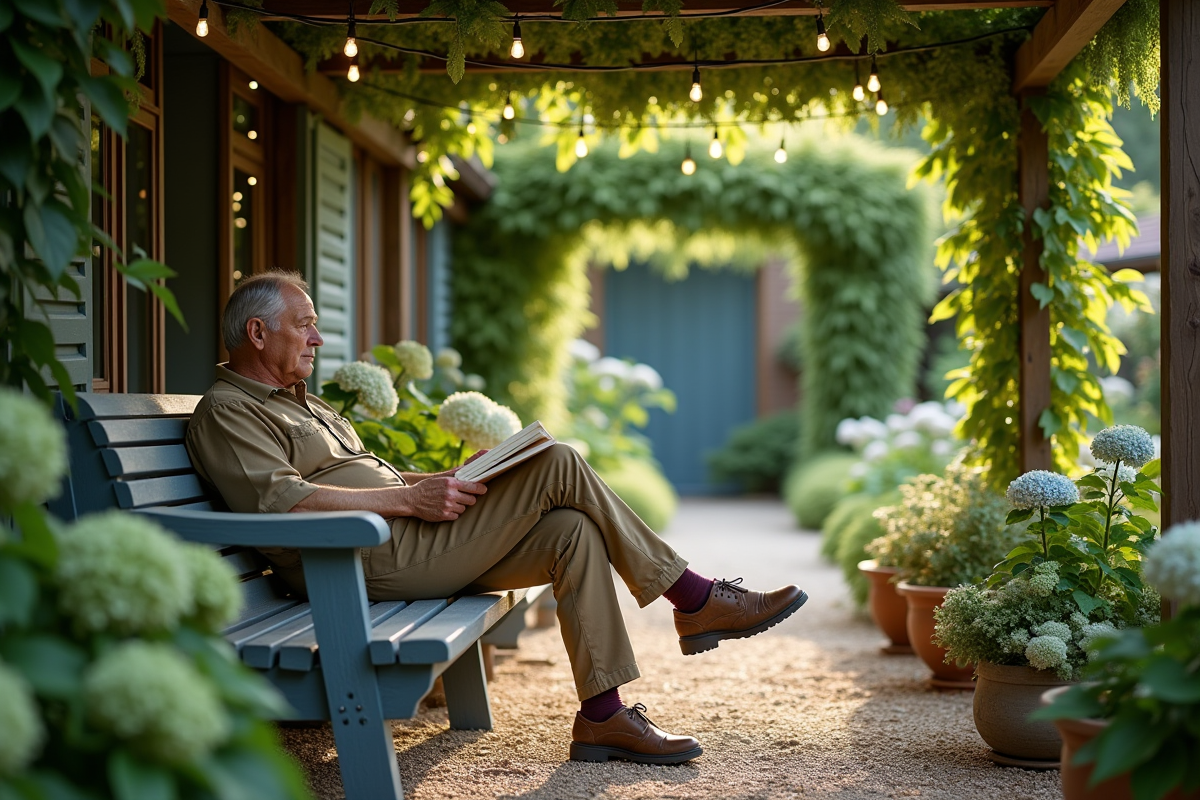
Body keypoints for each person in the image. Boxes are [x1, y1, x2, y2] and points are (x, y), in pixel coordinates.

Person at [185, 272, 807, 765]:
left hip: (398, 537)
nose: (317, 339)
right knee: (560, 461)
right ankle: (693, 597)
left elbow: (368, 480)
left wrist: (442, 482)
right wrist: (407, 502)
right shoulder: (228, 411)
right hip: (351, 562)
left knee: (572, 531)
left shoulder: (305, 406)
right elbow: (279, 501)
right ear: (259, 333)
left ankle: (602, 715)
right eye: (306, 325)